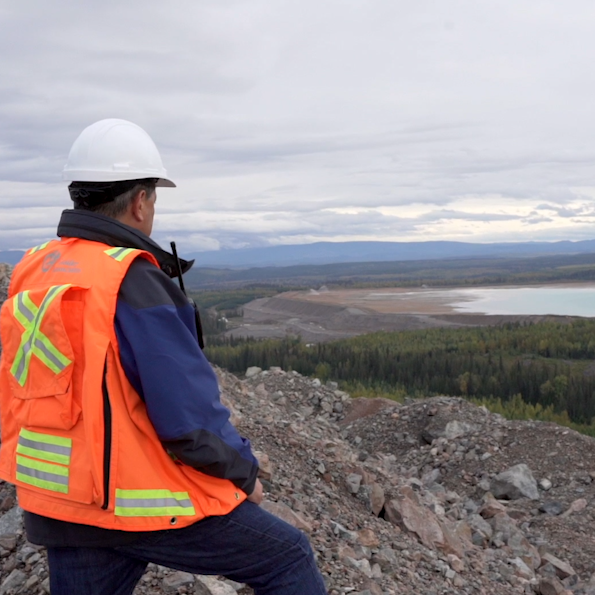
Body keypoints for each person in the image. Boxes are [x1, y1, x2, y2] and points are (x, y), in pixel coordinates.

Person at [0, 119, 328, 595]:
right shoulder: (130, 279)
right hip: (135, 506)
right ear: (140, 201)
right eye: (153, 196)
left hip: (59, 505)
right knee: (288, 558)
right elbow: (188, 421)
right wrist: (244, 476)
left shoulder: (35, 269)